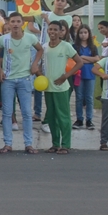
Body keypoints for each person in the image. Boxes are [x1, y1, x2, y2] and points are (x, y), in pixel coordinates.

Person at [0, 12, 44, 155]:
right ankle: (8, 144)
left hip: (25, 79)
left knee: (27, 113)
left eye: (18, 21)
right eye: (13, 21)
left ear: (23, 23)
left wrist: (35, 64)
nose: (15, 24)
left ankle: (28, 144)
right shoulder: (3, 39)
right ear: (9, 23)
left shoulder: (30, 37)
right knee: (7, 113)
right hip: (8, 80)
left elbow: (40, 49)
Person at [44, 22, 83, 154]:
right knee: (51, 116)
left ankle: (65, 144)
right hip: (48, 87)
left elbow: (79, 62)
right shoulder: (45, 47)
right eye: (50, 29)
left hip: (61, 87)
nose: (52, 32)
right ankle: (55, 144)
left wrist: (66, 76)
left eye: (56, 30)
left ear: (61, 32)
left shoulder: (66, 46)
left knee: (63, 116)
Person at [73, 25, 101, 130]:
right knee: (79, 97)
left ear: (89, 34)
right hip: (78, 74)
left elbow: (97, 59)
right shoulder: (75, 47)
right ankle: (79, 119)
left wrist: (83, 57)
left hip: (90, 74)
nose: (83, 35)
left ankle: (89, 120)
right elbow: (74, 60)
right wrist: (89, 60)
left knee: (89, 98)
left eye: (85, 32)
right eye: (81, 33)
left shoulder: (93, 47)